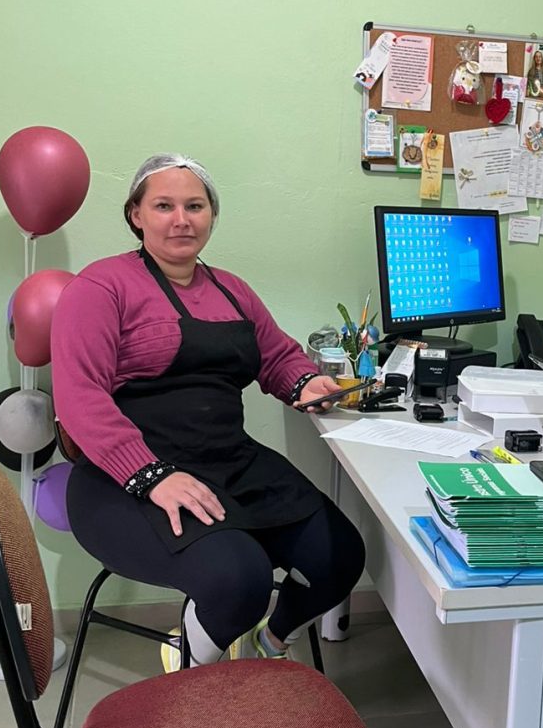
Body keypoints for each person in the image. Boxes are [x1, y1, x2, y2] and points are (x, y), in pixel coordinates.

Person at [51, 154, 365, 668]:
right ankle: (195, 671)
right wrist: (151, 476)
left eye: (195, 206)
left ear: (211, 215)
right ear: (136, 215)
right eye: (164, 205)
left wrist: (306, 382)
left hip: (228, 460)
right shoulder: (100, 287)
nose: (182, 219)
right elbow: (79, 399)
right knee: (239, 579)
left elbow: (278, 355)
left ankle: (266, 646)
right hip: (124, 477)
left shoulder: (232, 290)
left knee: (340, 555)